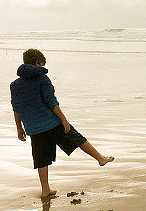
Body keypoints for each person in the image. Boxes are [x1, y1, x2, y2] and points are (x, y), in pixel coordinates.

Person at [10, 48, 114, 198]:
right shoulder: (42, 79)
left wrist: (19, 128)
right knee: (76, 137)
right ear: (38, 63)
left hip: (33, 128)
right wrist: (64, 120)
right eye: (42, 64)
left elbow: (16, 107)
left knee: (40, 158)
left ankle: (45, 190)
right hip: (51, 123)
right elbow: (51, 102)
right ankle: (100, 158)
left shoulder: (15, 85)